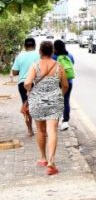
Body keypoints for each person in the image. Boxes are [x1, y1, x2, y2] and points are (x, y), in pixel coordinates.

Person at [24, 40, 69, 176]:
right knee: (52, 130)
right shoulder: (58, 66)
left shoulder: (35, 66)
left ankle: (43, 158)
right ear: (52, 52)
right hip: (54, 100)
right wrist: (59, 95)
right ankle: (51, 162)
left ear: (40, 52)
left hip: (37, 101)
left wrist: (30, 91)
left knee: (40, 130)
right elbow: (65, 85)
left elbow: (27, 83)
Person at [10, 37, 39, 136]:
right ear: (35, 46)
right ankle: (41, 129)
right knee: (39, 105)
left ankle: (30, 130)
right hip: (37, 82)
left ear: (24, 46)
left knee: (26, 106)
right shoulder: (39, 55)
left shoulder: (19, 56)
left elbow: (14, 72)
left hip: (23, 83)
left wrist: (21, 70)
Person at [53, 39, 75, 131]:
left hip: (57, 82)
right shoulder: (69, 55)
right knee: (66, 100)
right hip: (69, 82)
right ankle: (65, 121)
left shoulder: (53, 57)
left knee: (57, 101)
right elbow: (72, 64)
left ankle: (56, 121)